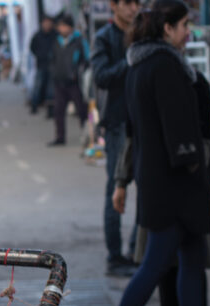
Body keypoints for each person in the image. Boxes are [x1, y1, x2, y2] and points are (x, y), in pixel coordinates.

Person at [94, 0, 210, 306]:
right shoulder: (166, 65)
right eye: (185, 25)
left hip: (160, 181)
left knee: (189, 259)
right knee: (155, 264)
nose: (189, 32)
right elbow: (181, 133)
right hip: (178, 186)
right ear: (167, 28)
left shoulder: (139, 64)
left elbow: (137, 130)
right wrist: (197, 171)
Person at [112, 72, 210, 306]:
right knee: (162, 265)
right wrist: (121, 180)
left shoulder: (189, 79)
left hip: (177, 191)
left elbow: (205, 138)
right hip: (167, 192)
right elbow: (133, 135)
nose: (188, 33)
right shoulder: (148, 76)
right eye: (184, 25)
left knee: (181, 261)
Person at [92, 0, 140, 276]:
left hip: (141, 119)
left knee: (146, 188)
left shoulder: (141, 33)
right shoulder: (104, 38)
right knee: (115, 188)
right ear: (114, 6)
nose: (133, 8)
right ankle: (114, 255)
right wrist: (128, 61)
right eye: (127, 3)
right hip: (117, 123)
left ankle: (137, 249)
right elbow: (101, 77)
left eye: (136, 3)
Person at [47, 14, 89, 146]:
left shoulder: (79, 41)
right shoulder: (56, 41)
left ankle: (88, 135)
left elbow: (87, 59)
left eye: (64, 26)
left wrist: (77, 73)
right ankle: (60, 137)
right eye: (60, 26)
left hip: (75, 82)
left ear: (70, 27)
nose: (61, 28)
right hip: (60, 81)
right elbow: (52, 60)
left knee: (82, 110)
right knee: (58, 111)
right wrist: (54, 73)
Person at [29, 15, 57, 115]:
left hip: (52, 65)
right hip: (41, 64)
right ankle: (34, 105)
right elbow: (32, 47)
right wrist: (39, 55)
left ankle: (50, 109)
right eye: (45, 22)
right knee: (38, 86)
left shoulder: (55, 35)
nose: (47, 25)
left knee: (51, 88)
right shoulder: (37, 35)